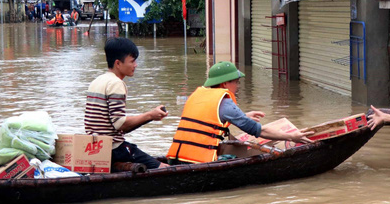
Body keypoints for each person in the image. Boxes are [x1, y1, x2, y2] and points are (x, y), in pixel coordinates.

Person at [166, 61, 314, 164]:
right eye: (236, 81)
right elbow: (260, 131)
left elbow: (210, 121)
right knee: (235, 156)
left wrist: (244, 116)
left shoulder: (199, 96)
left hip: (177, 157)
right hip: (199, 161)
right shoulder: (225, 103)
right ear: (225, 83)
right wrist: (292, 136)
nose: (237, 85)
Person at [84, 37, 169, 169]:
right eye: (132, 61)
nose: (135, 65)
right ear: (118, 63)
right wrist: (150, 115)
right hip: (114, 149)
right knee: (163, 167)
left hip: (95, 147)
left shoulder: (96, 81)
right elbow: (120, 124)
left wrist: (150, 117)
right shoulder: (116, 84)